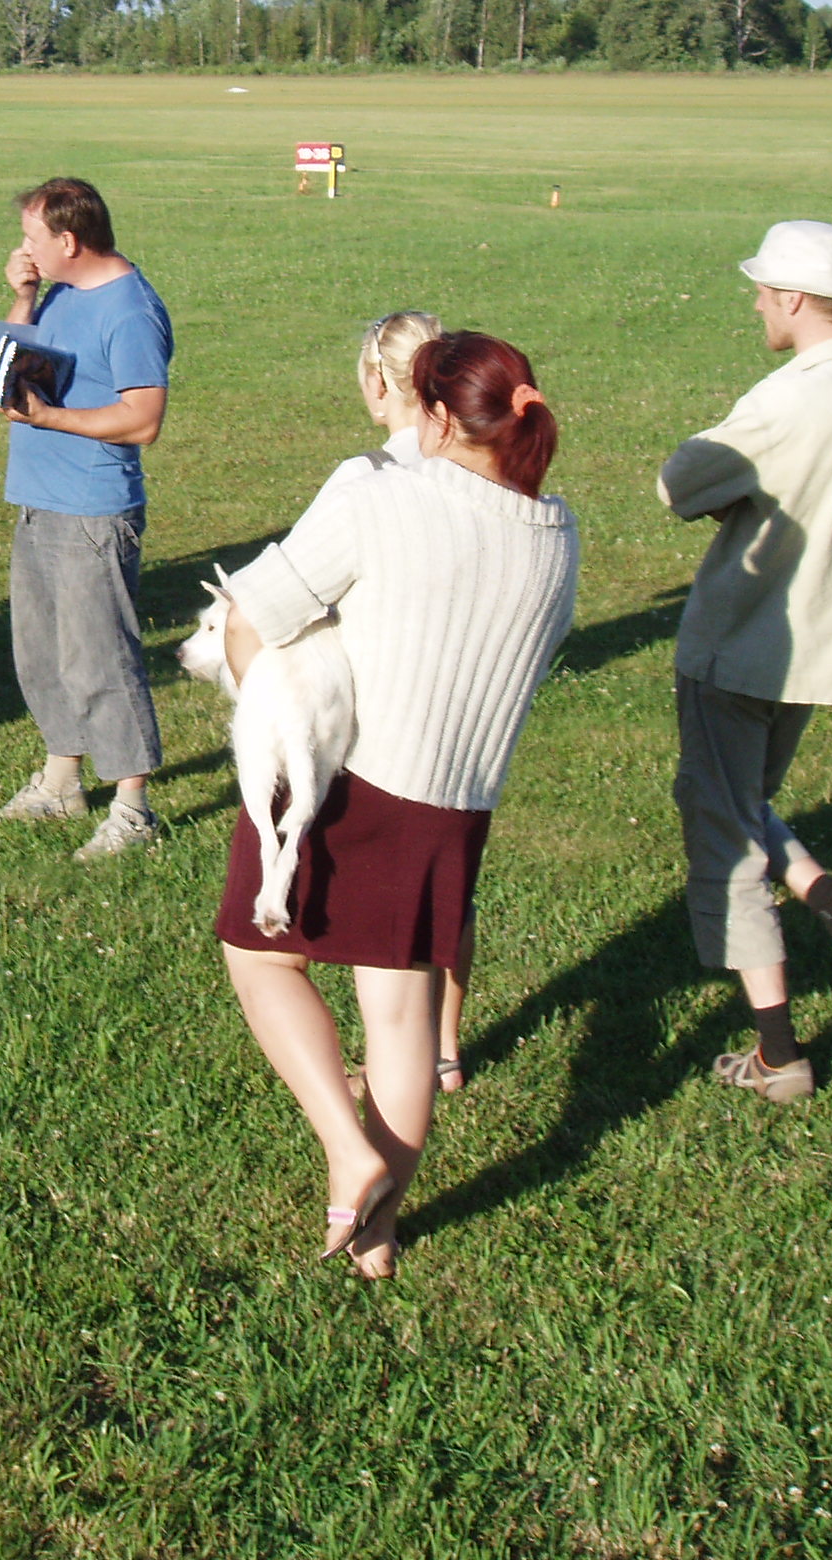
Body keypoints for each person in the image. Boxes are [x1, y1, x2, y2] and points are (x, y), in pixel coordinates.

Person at [217, 332, 578, 1278]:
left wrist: (269, 706)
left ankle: (347, 1143)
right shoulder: (556, 532)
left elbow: (254, 612)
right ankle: (376, 1237)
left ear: (438, 416)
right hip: (456, 803)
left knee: (256, 958)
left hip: (345, 780)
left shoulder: (376, 493)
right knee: (405, 1019)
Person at [659, 220, 832, 1102]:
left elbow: (680, 483)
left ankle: (781, 1052)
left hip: (737, 640)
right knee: (736, 801)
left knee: (724, 840)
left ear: (799, 300)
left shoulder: (789, 399)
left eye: (767, 292)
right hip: (819, 645)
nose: (759, 305)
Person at [0, 177, 174, 861]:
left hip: (94, 508)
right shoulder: (63, 289)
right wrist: (25, 294)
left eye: (34, 237)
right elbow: (13, 354)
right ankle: (61, 782)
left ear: (69, 240)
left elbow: (143, 420)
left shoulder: (129, 311)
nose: (23, 247)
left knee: (103, 659)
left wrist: (49, 417)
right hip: (37, 497)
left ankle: (132, 806)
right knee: (41, 654)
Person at [323, 310, 476, 1096]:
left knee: (382, 908)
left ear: (380, 384)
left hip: (385, 725)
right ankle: (445, 1047)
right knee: (452, 885)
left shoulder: (371, 481)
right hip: (469, 721)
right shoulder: (486, 472)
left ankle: (399, 1063)